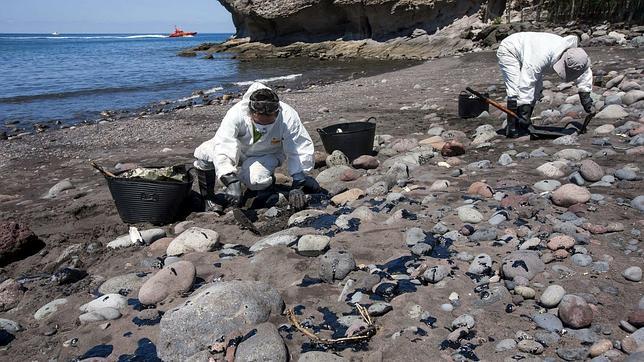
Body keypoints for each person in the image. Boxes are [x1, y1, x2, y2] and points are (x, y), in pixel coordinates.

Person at [193, 82, 319, 212]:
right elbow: (224, 144)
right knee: (204, 153)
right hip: (239, 151)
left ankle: (266, 185)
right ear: (250, 112)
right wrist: (230, 180)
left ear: (277, 112)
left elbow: (299, 148)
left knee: (257, 180)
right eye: (259, 121)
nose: (263, 126)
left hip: (267, 154)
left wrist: (298, 184)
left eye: (269, 122)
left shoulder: (288, 116)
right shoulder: (236, 114)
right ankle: (209, 198)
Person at [496, 32, 596, 138]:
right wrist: (524, 114)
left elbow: (584, 72)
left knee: (537, 89)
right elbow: (527, 83)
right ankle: (512, 128)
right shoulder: (540, 57)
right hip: (510, 50)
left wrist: (586, 99)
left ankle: (522, 124)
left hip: (530, 49)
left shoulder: (577, 56)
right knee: (515, 89)